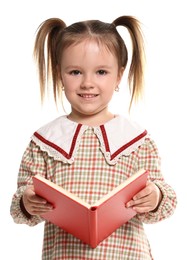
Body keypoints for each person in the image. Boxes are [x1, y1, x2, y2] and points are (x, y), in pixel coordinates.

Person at [10, 16, 177, 260]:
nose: (88, 83)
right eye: (75, 72)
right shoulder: (45, 142)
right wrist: (27, 201)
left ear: (119, 76)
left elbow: (166, 201)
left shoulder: (136, 140)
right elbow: (19, 206)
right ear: (60, 75)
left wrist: (154, 196)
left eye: (101, 72)